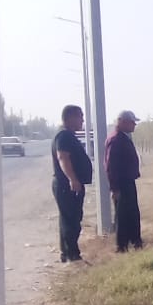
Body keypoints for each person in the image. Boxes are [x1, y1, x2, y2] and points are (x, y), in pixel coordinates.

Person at [51, 103, 93, 263]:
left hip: (68, 185)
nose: (82, 120)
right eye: (80, 116)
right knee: (71, 220)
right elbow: (63, 158)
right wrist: (73, 179)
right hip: (66, 186)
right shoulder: (64, 136)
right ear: (70, 118)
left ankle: (67, 253)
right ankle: (71, 255)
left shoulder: (67, 135)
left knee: (70, 218)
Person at [104, 109, 143, 253]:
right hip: (121, 184)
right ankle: (122, 246)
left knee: (131, 213)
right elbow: (110, 166)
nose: (134, 125)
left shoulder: (123, 137)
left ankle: (135, 241)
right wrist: (115, 188)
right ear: (122, 122)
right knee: (122, 214)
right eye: (132, 122)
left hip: (128, 182)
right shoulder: (116, 140)